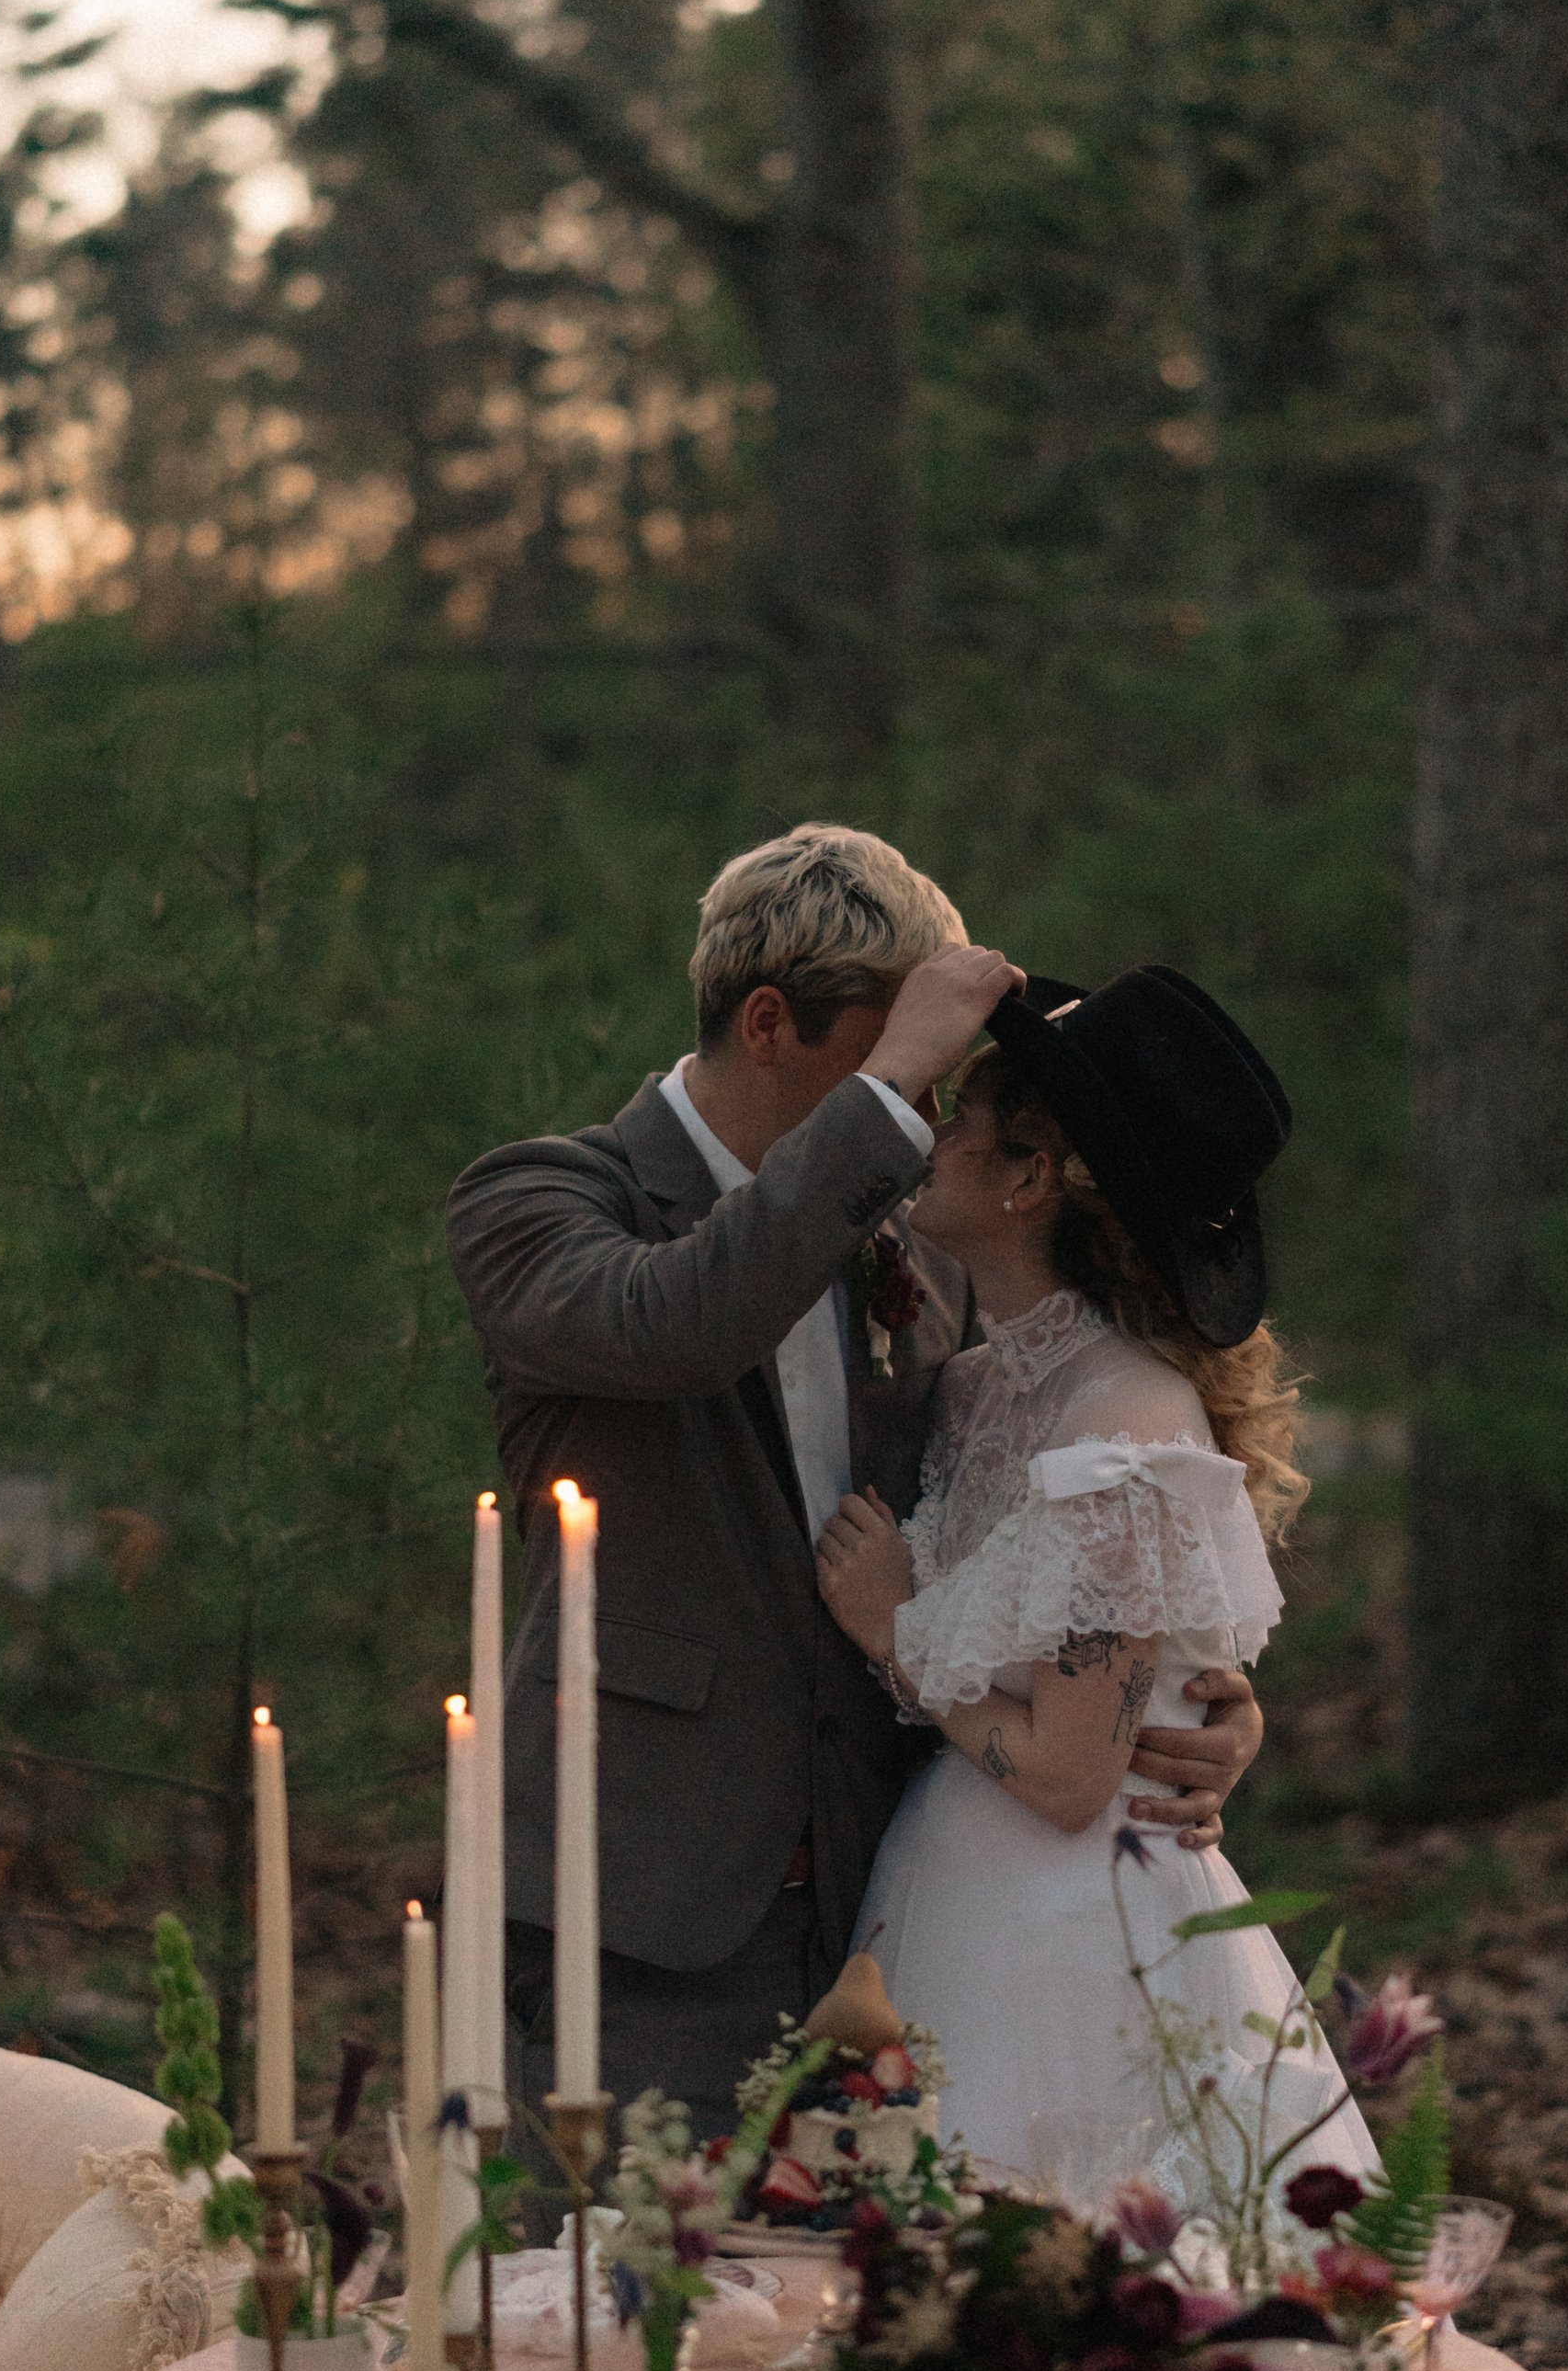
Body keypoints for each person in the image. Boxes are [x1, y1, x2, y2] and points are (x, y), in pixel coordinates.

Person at [445, 828, 1267, 2147]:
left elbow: (1033, 1537)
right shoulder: (542, 1202)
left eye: (938, 1081)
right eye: (908, 1063)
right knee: (618, 2329)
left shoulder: (914, 1245)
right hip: (644, 1915)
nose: (929, 1108)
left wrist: (1178, 1703)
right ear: (770, 1022)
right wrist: (881, 1098)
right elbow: (681, 1322)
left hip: (898, 1903)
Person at [817, 964, 1374, 2194]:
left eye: (964, 1113)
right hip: (954, 1891)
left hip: (1073, 1932)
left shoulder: (1129, 1413)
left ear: (1028, 1176)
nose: (936, 1131)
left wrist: (891, 1627)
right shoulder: (969, 1388)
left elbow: (1071, 1774)